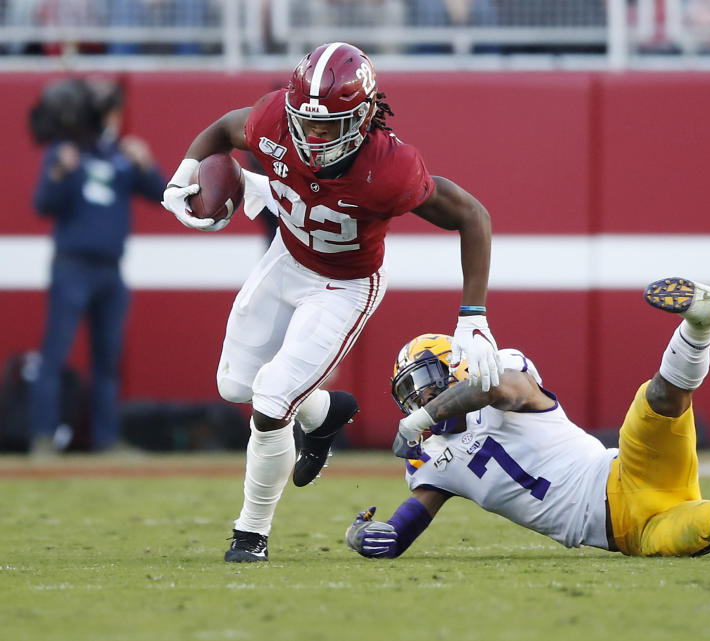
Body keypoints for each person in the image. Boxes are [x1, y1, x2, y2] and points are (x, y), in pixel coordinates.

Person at [160, 42, 504, 563]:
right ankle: (322, 414)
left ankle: (250, 534)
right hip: (287, 257)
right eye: (306, 123)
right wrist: (186, 171)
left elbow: (472, 215)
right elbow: (226, 128)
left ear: (364, 116)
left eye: (328, 127)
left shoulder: (390, 167)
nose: (313, 137)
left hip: (345, 284)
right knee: (234, 385)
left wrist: (473, 316)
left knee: (272, 400)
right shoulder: (276, 119)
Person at [344, 277, 710, 559]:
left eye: (423, 383)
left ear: (453, 366)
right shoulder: (429, 460)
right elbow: (400, 533)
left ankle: (698, 325)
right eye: (408, 393)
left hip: (622, 473)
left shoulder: (498, 369)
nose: (417, 401)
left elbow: (496, 390)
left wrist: (426, 417)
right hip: (631, 534)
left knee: (659, 400)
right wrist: (366, 537)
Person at [28, 76, 167, 453]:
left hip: (110, 269)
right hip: (72, 266)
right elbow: (42, 204)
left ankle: (106, 441)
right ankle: (43, 439)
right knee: (54, 355)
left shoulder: (121, 156)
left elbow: (164, 195)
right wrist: (59, 173)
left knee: (107, 361)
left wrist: (148, 165)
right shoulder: (65, 151)